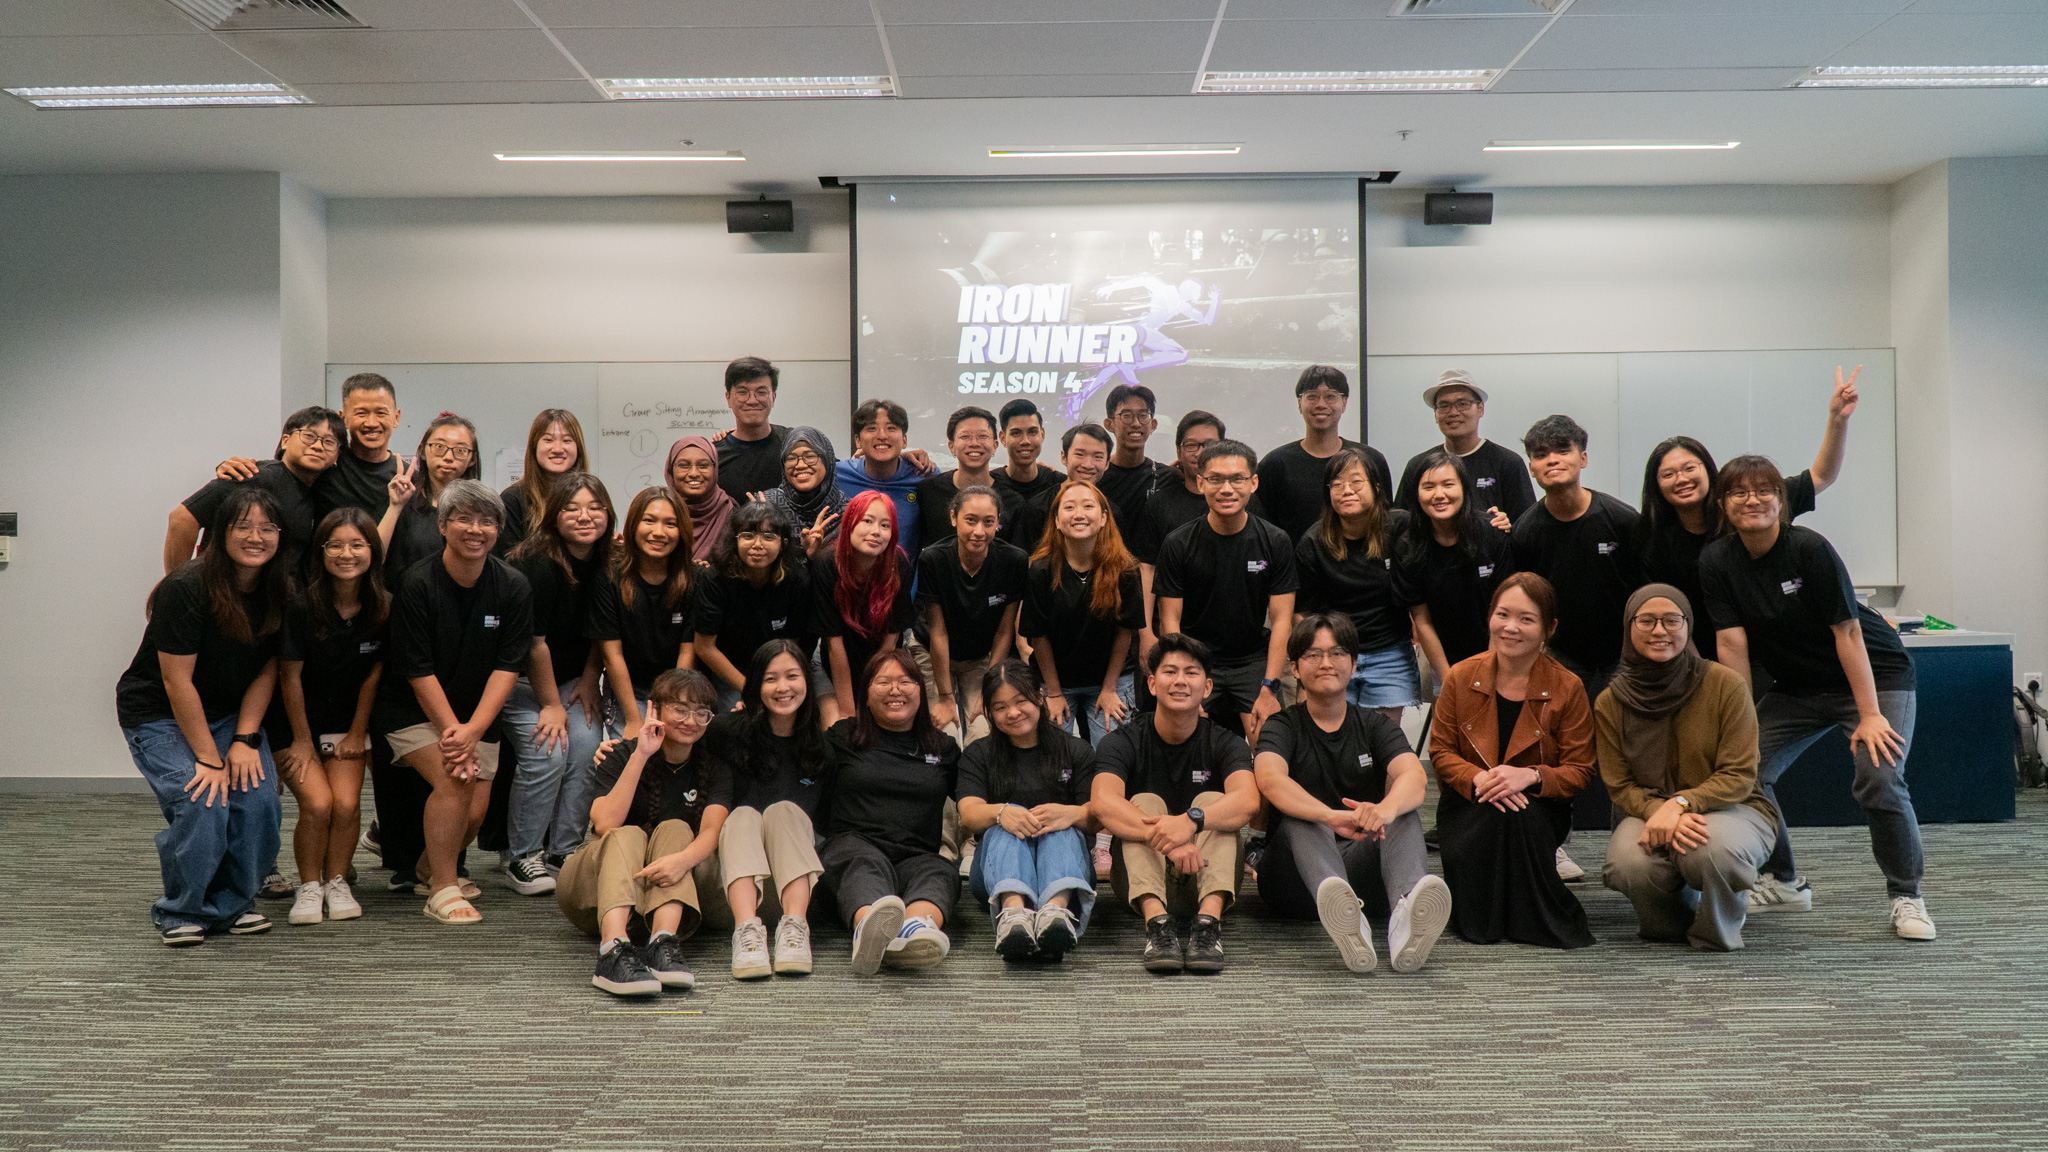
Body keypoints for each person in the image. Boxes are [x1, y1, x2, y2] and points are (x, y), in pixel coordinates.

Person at [1699, 455, 1934, 940]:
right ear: (1723, 504)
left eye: (1763, 490)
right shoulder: (1717, 561)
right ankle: (1784, 882)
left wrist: (1869, 715)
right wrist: (1739, 723)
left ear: (1781, 501)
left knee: (1880, 777)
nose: (1752, 499)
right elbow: (1732, 645)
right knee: (1743, 771)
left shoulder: (1809, 549)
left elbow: (1847, 631)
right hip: (1798, 687)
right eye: (1738, 492)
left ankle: (1906, 895)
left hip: (1875, 676)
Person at [116, 488, 290, 946]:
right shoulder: (186, 587)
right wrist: (211, 759)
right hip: (160, 714)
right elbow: (177, 682)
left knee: (258, 802)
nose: (256, 537)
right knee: (203, 798)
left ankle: (233, 903)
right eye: (243, 527)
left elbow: (267, 668)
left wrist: (245, 741)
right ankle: (183, 908)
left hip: (230, 713)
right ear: (219, 533)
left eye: (267, 528)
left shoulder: (280, 588)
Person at [1254, 615, 1453, 973]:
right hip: (1293, 881)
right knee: (1303, 816)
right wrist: (1330, 816)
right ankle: (1342, 910)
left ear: (1354, 664)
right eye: (1314, 655)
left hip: (1362, 866)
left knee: (1403, 810)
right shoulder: (1282, 725)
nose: (1326, 663)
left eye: (1337, 653)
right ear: (1295, 669)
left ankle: (1404, 916)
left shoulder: (1373, 724)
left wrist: (1384, 810)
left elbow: (1413, 776)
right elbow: (1270, 780)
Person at [374, 480, 534, 925]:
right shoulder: (417, 582)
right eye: (464, 518)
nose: (475, 528)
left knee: (477, 811)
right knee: (456, 782)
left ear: (499, 530)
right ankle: (442, 887)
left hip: (477, 715)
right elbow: (416, 669)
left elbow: (508, 666)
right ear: (443, 525)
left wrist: (474, 730)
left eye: (487, 520)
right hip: (410, 710)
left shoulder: (513, 585)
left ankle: (428, 866)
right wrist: (455, 736)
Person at [1597, 585, 1778, 952]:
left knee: (1711, 850)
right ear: (1629, 628)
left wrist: (1679, 805)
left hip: (1732, 807)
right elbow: (1619, 784)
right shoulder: (1611, 701)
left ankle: (1719, 925)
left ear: (1688, 625)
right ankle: (1671, 923)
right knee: (1630, 863)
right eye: (1646, 621)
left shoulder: (1725, 685)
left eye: (1671, 620)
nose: (1659, 631)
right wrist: (1657, 811)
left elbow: (1739, 774)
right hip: (1647, 809)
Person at [1637, 365, 1861, 661]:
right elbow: (1670, 613)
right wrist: (1695, 671)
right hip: (1702, 654)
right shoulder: (1657, 541)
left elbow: (1822, 476)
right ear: (1656, 485)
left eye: (1690, 468)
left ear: (1709, 470)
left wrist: (1837, 420)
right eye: (1669, 474)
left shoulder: (1748, 506)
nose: (1681, 479)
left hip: (1769, 652)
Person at [1428, 573, 1596, 950]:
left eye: (1526, 619)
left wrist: (1530, 776)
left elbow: (1580, 769)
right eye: (1503, 614)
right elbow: (1441, 752)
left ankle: (1523, 917)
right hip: (1470, 799)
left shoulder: (1568, 686)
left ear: (1548, 628)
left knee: (1514, 813)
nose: (1511, 627)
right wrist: (1481, 780)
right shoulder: (1460, 676)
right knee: (1493, 810)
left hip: (1536, 804)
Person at [1510, 413, 1644, 843]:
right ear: (1531, 466)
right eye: (1540, 454)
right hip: (1563, 660)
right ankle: (1555, 848)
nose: (1551, 460)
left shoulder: (1622, 521)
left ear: (1583, 457)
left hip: (1624, 660)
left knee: (1633, 757)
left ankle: (1632, 846)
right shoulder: (1527, 531)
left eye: (1562, 450)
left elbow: (1648, 595)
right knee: (1553, 752)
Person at [1090, 634, 1259, 974]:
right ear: (1152, 683)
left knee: (1213, 803)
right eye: (1170, 672)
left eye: (1191, 673)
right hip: (1141, 885)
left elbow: (1247, 802)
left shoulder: (1224, 742)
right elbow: (1103, 803)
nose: (1180, 680)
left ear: (1207, 687)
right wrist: (1169, 841)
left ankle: (1208, 926)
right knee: (1144, 802)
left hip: (1208, 875)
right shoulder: (1123, 740)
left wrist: (1192, 821)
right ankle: (1158, 927)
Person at [560, 668, 732, 996]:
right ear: (654, 709)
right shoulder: (620, 753)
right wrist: (641, 752)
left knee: (677, 829)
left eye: (701, 712)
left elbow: (711, 832)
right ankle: (611, 950)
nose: (690, 720)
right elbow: (605, 824)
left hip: (654, 902)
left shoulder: (715, 769)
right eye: (680, 709)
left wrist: (681, 862)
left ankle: (662, 942)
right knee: (627, 834)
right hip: (594, 896)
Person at [499, 472, 614, 894]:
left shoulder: (608, 562)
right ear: (554, 515)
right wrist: (551, 705)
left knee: (586, 748)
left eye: (594, 508)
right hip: (518, 685)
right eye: (572, 508)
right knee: (548, 751)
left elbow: (605, 632)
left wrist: (588, 681)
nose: (585, 517)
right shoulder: (536, 563)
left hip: (571, 682)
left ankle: (564, 852)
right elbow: (534, 645)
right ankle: (523, 856)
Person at [273, 508, 388, 926]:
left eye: (357, 544)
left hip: (347, 724)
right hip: (294, 722)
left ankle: (336, 880)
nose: (346, 553)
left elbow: (373, 676)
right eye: (335, 545)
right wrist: (302, 740)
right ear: (321, 552)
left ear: (372, 551)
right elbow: (290, 677)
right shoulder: (302, 606)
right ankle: (308, 886)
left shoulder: (382, 607)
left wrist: (358, 731)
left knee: (347, 803)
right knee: (318, 805)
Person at [820, 649, 962, 975]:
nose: (895, 690)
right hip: (852, 845)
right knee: (862, 863)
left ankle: (914, 929)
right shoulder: (843, 736)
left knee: (942, 871)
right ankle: (867, 927)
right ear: (866, 694)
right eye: (883, 681)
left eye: (906, 681)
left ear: (921, 692)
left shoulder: (942, 748)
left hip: (916, 855)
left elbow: (975, 797)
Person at [956, 660, 1097, 962]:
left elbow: (1097, 816)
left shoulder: (1075, 749)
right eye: (1000, 707)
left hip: (1067, 873)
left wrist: (1069, 814)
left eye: (1021, 701)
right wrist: (1002, 812)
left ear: (1040, 697)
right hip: (995, 875)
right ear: (990, 714)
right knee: (1005, 821)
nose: (1013, 713)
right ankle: (1014, 915)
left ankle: (1055, 915)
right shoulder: (979, 754)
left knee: (1061, 827)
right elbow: (968, 813)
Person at [1155, 440, 1297, 740]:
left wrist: (1270, 685)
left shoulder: (1275, 540)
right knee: (1190, 745)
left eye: (1237, 479)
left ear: (1253, 482)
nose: (1226, 489)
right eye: (1216, 479)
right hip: (1197, 659)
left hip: (1252, 661)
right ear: (1200, 481)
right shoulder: (1178, 543)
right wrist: (1185, 679)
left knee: (1270, 745)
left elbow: (1282, 619)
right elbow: (1170, 622)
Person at [706, 641, 830, 979]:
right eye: (770, 679)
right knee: (744, 814)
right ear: (755, 685)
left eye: (792, 676)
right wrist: (620, 751)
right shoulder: (724, 732)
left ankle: (795, 930)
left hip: (799, 886)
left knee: (784, 812)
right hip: (734, 881)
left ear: (808, 680)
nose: (783, 688)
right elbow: (675, 748)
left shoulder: (822, 747)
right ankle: (747, 933)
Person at [1294, 448, 1417, 722]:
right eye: (1336, 485)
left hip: (1389, 651)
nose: (1346, 490)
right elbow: (1302, 612)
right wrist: (1312, 661)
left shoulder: (1399, 527)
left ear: (1375, 487)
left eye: (1355, 482)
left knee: (1384, 742)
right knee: (1327, 741)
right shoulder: (1313, 542)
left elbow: (1446, 530)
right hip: (1332, 654)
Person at [1021, 479, 1144, 746]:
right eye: (1069, 507)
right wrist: (1053, 693)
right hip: (1056, 681)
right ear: (1056, 520)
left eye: (1088, 506)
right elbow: (1038, 637)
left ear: (1103, 518)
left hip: (1110, 679)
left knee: (1111, 753)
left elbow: (1126, 632)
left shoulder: (1125, 568)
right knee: (1055, 757)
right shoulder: (1040, 570)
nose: (1078, 514)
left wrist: (1110, 689)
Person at [169, 406, 344, 576]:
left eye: (328, 442)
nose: (317, 446)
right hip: (222, 593)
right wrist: (176, 585)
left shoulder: (319, 492)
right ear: (285, 441)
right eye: (309, 436)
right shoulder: (255, 475)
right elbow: (182, 519)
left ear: (337, 455)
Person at [1394, 448, 1514, 689]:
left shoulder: (1492, 533)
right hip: (1443, 659)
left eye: (1448, 484)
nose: (1439, 495)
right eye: (1428, 487)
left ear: (1464, 489)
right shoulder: (1408, 546)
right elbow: (1422, 621)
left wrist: (1488, 670)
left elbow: (1504, 609)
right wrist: (1448, 678)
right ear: (1417, 494)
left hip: (1500, 654)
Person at [917, 486, 1027, 742]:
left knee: (983, 731)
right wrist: (946, 698)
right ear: (954, 518)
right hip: (932, 651)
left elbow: (1004, 630)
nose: (979, 531)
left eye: (989, 522)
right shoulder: (933, 559)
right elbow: (938, 631)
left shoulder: (1014, 561)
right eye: (970, 520)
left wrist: (989, 688)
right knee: (944, 733)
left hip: (981, 658)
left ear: (998, 523)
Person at [212, 373, 402, 520]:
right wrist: (232, 468)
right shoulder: (325, 462)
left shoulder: (408, 476)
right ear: (343, 418)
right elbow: (282, 472)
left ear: (396, 417)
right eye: (361, 413)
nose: (371, 422)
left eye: (381, 413)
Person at [590, 487, 697, 740]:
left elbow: (687, 651)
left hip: (677, 691)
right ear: (633, 525)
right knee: (635, 753)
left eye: (670, 524)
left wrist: (671, 709)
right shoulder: (608, 578)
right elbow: (611, 654)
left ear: (681, 531)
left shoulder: (696, 579)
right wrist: (633, 719)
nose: (658, 532)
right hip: (627, 691)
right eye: (649, 521)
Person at [694, 502, 816, 714]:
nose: (757, 544)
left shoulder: (797, 580)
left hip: (779, 668)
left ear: (783, 543)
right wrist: (750, 690)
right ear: (735, 540)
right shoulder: (714, 579)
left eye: (768, 537)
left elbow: (794, 642)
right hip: (728, 672)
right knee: (744, 719)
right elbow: (705, 647)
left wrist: (773, 684)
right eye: (748, 535)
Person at [1256, 365, 1392, 543]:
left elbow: (1385, 519)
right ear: (1299, 404)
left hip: (1361, 565)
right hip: (1296, 567)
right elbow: (1263, 528)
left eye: (1330, 397)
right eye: (1311, 396)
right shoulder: (1275, 464)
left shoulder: (1371, 460)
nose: (1321, 404)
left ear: (1343, 403)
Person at [815, 490, 915, 720]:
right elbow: (834, 645)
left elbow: (892, 640)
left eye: (885, 525)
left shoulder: (898, 565)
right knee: (841, 724)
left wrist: (870, 695)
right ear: (849, 524)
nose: (875, 532)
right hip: (835, 659)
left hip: (883, 657)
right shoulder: (827, 563)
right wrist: (849, 710)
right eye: (867, 521)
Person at [1395, 369, 1536, 524]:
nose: (1453, 412)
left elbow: (1525, 526)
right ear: (1435, 413)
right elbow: (1402, 523)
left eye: (1463, 404)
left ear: (1480, 409)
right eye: (1444, 405)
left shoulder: (1508, 463)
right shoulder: (1418, 466)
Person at [379, 412, 482, 581]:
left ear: (472, 459)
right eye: (439, 447)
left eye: (460, 450)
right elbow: (374, 557)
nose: (448, 457)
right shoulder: (401, 496)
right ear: (423, 451)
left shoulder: (482, 509)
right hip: (405, 599)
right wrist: (395, 507)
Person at [836, 399, 933, 556]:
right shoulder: (837, 476)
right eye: (872, 428)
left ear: (904, 440)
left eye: (891, 428)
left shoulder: (923, 475)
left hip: (905, 579)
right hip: (846, 578)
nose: (882, 435)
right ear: (857, 441)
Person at [916, 406, 1021, 547]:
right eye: (965, 437)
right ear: (951, 446)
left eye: (983, 436)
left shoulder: (1013, 500)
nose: (974, 443)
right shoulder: (928, 491)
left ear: (995, 445)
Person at [1005, 422, 1115, 554]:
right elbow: (1024, 560)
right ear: (1064, 457)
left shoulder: (1112, 511)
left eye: (1098, 457)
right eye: (1080, 454)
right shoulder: (1037, 508)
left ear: (1107, 463)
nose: (1088, 464)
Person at [497, 408, 589, 556]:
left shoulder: (590, 496)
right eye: (548, 440)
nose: (558, 449)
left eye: (566, 440)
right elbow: (506, 563)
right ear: (534, 446)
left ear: (578, 448)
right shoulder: (512, 499)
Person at [758, 425, 846, 557]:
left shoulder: (849, 514)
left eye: (810, 456)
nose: (800, 465)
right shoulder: (766, 505)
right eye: (791, 458)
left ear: (827, 461)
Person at [713, 356, 791, 504]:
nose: (752, 400)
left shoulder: (793, 445)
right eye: (742, 392)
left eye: (761, 392)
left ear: (773, 397)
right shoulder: (714, 456)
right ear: (728, 398)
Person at [1097, 384, 1174, 533]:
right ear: (1109, 424)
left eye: (1143, 416)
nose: (1136, 423)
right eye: (1126, 416)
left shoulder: (1168, 478)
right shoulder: (1097, 475)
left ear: (1153, 424)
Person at [667, 435, 736, 564]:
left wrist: (711, 574)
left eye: (703, 466)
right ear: (671, 470)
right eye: (684, 466)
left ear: (715, 469)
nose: (694, 473)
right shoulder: (658, 510)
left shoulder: (730, 512)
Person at [990, 398, 1065, 517]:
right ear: (1003, 438)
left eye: (1032, 432)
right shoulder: (990, 486)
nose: (1025, 441)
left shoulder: (1060, 485)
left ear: (1042, 434)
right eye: (1016, 433)